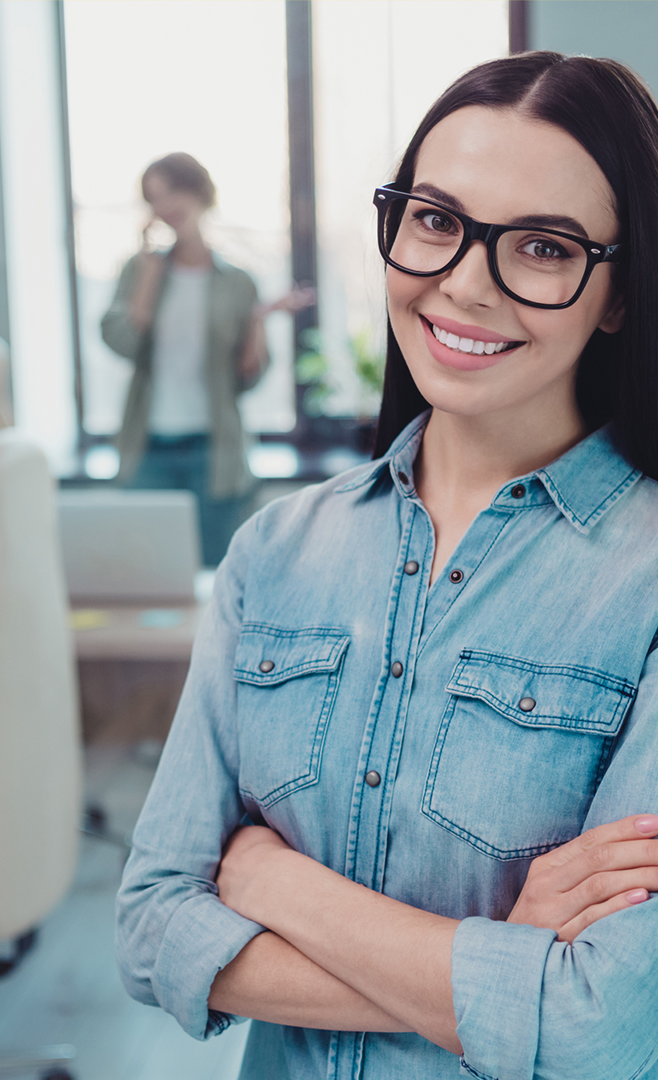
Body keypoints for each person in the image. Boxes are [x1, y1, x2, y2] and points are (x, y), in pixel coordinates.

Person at [116, 53, 658, 1079]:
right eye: (435, 220)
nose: (462, 283)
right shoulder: (275, 556)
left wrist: (273, 884)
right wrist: (502, 965)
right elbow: (149, 931)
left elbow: (605, 1028)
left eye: (542, 247)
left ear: (620, 293)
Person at [101, 152, 313, 566]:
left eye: (173, 191)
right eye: (154, 198)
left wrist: (256, 323)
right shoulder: (139, 270)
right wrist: (148, 276)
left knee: (217, 574)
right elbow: (123, 344)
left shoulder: (237, 282)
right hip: (148, 449)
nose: (165, 206)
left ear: (199, 192)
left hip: (214, 452)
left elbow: (247, 380)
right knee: (149, 572)